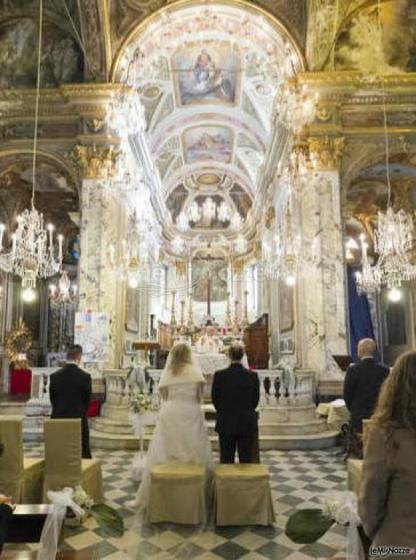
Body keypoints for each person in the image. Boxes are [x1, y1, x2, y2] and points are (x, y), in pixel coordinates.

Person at [129, 343, 212, 512]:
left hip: (171, 412)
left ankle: (165, 493)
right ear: (189, 356)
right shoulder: (195, 373)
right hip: (190, 412)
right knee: (191, 447)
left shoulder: (168, 373)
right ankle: (192, 493)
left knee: (167, 449)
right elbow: (199, 397)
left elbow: (164, 396)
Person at [359, 351, 416, 558]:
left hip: (398, 547)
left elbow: (370, 503)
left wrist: (374, 533)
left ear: (395, 386)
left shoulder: (384, 435)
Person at [211, 343, 260, 463]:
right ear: (242, 356)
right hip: (246, 420)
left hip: (226, 420)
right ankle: (246, 481)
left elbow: (215, 399)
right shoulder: (252, 376)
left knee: (226, 458)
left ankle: (226, 482)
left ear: (229, 356)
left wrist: (224, 410)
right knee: (246, 458)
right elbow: (255, 400)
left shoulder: (219, 376)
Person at [49, 345, 92, 459]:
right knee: (81, 453)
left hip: (58, 418)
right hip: (78, 419)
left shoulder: (55, 376)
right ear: (79, 357)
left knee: (59, 453)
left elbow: (52, 398)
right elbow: (87, 401)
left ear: (67, 357)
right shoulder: (85, 377)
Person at [343, 338, 389, 434]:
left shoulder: (352, 370)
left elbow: (347, 395)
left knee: (359, 444)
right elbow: (388, 393)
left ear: (361, 350)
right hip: (379, 413)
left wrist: (354, 409)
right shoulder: (384, 370)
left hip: (358, 415)